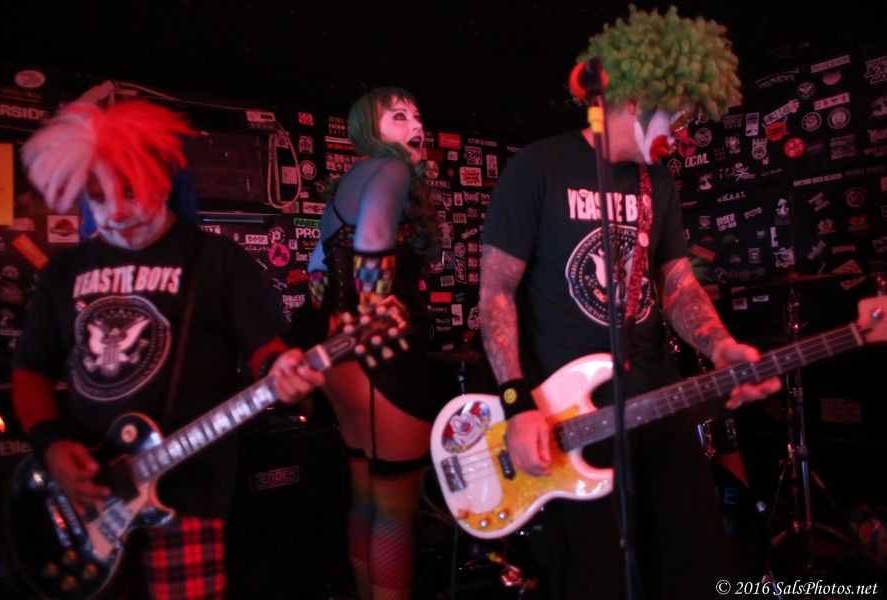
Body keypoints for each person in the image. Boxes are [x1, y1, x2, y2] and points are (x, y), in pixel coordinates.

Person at [478, 7, 782, 599]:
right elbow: (495, 295)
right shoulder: (537, 167)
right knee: (596, 580)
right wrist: (517, 404)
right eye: (680, 114)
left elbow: (678, 284)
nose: (684, 131)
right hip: (570, 419)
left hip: (657, 401)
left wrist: (721, 346)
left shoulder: (657, 183)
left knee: (697, 567)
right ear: (639, 97)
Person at [11, 99, 324, 600]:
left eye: (129, 191)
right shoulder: (64, 272)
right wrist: (50, 444)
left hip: (188, 492)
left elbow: (266, 348)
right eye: (97, 198)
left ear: (160, 177)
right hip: (86, 491)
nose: (114, 212)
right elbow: (31, 369)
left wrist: (281, 368)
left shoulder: (216, 260)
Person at [306, 86, 437, 600]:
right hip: (383, 357)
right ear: (369, 130)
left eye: (416, 115)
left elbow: (317, 272)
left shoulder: (345, 185)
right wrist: (373, 309)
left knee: (366, 496)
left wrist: (343, 324)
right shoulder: (391, 170)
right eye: (398, 116)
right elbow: (373, 240)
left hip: (339, 359)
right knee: (396, 509)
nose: (415, 125)